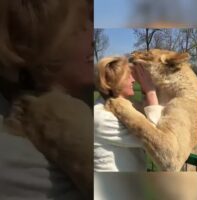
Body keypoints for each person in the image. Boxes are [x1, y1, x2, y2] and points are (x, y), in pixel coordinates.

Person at [0, 0, 93, 199]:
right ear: (47, 44)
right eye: (81, 28)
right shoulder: (65, 116)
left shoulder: (25, 106)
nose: (93, 38)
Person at [94, 56, 164, 172]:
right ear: (115, 82)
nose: (133, 80)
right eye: (128, 76)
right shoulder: (102, 117)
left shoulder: (123, 106)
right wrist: (150, 92)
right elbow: (153, 139)